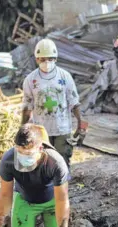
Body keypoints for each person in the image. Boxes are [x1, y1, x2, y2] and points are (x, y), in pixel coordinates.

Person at [21, 38, 85, 167]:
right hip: (41, 131)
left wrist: (81, 125)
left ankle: (63, 187)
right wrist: (22, 129)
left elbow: (74, 102)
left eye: (50, 59)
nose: (47, 62)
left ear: (56, 58)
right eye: (43, 59)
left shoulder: (65, 77)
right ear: (37, 59)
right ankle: (47, 187)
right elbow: (27, 106)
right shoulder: (31, 80)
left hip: (63, 129)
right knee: (42, 163)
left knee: (62, 163)